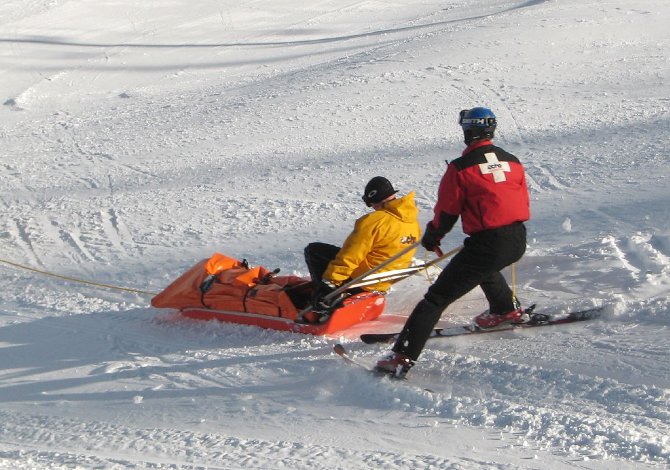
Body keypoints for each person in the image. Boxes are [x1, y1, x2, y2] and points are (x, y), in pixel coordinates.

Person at [375, 107, 530, 378]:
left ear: (468, 131)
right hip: (517, 238)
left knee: (435, 299)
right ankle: (505, 309)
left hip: (488, 243)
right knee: (480, 266)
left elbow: (447, 210)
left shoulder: (461, 168)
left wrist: (433, 236)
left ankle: (401, 357)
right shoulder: (512, 160)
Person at [303, 176, 421, 323]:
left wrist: (330, 282)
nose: (371, 207)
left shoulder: (375, 221)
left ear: (374, 198)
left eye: (369, 203)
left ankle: (325, 301)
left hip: (362, 279)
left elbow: (350, 255)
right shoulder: (411, 220)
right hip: (383, 280)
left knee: (314, 250)